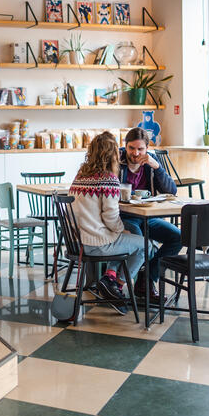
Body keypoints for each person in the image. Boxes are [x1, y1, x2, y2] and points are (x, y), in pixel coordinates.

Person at [69, 131, 144, 314]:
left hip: (77, 243)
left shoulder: (80, 175)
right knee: (146, 246)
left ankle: (109, 279)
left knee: (131, 233)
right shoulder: (108, 180)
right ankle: (115, 286)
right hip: (97, 243)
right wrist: (120, 232)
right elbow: (111, 217)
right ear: (113, 154)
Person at [118, 127, 182, 301]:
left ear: (147, 148)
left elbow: (171, 191)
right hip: (123, 217)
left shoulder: (151, 163)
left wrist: (158, 167)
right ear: (125, 146)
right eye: (131, 148)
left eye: (140, 149)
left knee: (178, 237)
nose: (136, 153)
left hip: (147, 217)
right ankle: (120, 283)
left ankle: (146, 279)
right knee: (141, 244)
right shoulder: (117, 162)